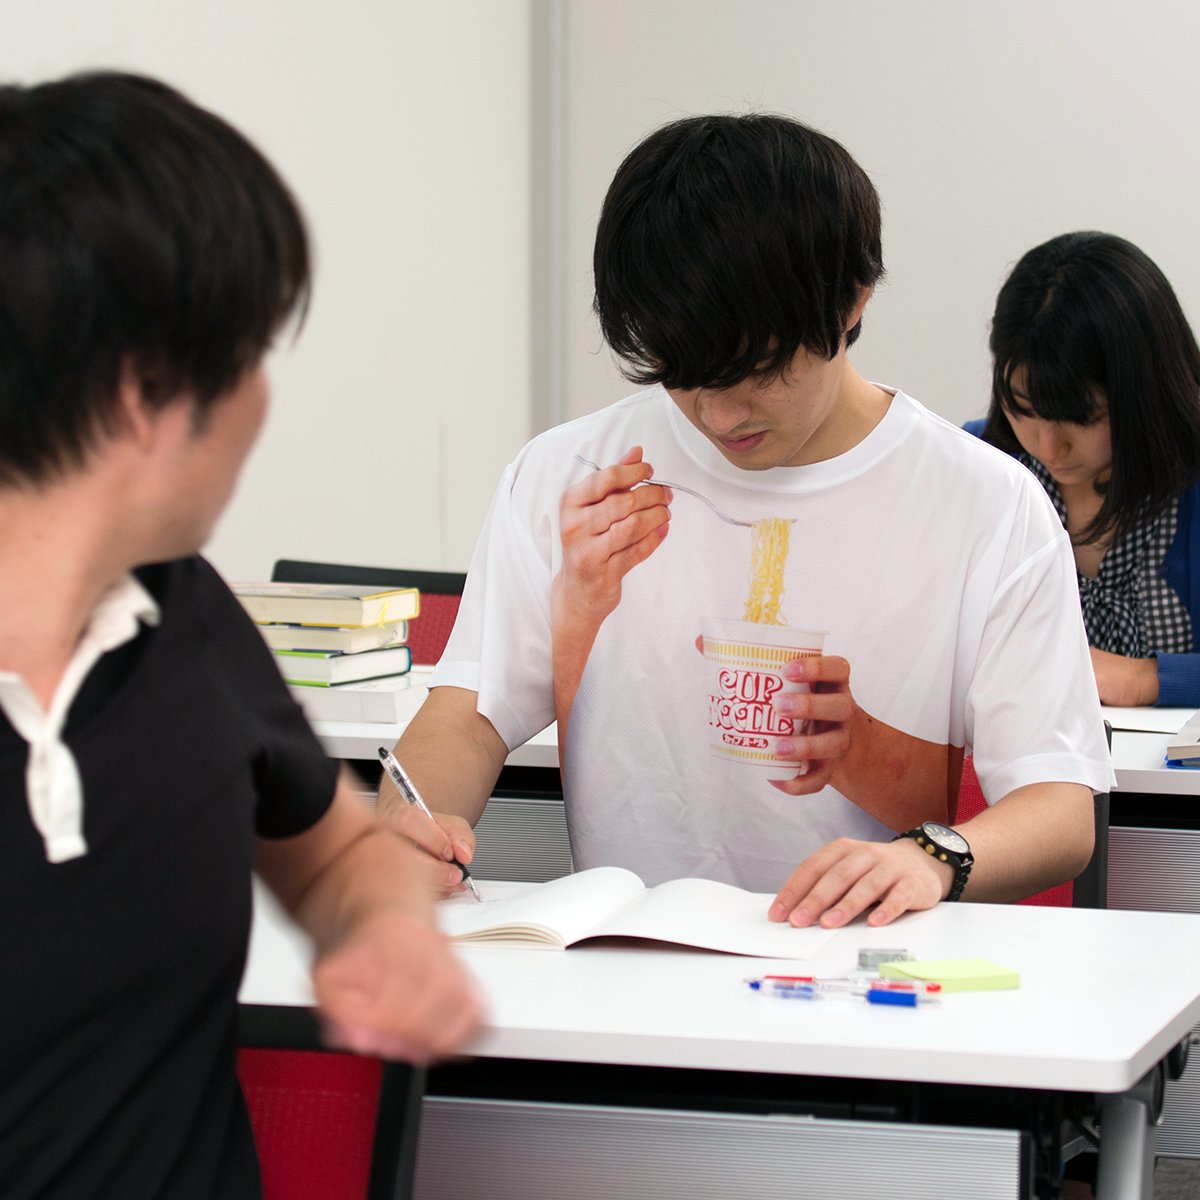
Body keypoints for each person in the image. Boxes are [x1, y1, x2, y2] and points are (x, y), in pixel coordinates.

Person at [382, 113, 1112, 933]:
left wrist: (931, 857)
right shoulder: (572, 477)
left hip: (862, 974)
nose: (722, 414)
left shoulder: (985, 502)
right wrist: (411, 828)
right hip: (625, 974)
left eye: (759, 370)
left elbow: (1059, 807)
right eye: (684, 374)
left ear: (852, 301)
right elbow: (469, 715)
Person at [0, 71, 480, 1198]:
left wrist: (386, 926)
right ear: (146, 394)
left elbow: (339, 852)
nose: (264, 400)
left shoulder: (186, 614)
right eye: (252, 352)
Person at [967, 231, 1200, 708]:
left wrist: (1144, 679)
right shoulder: (978, 464)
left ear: (1144, 392)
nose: (1050, 446)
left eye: (1083, 416)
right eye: (1025, 409)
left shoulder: (1190, 484)